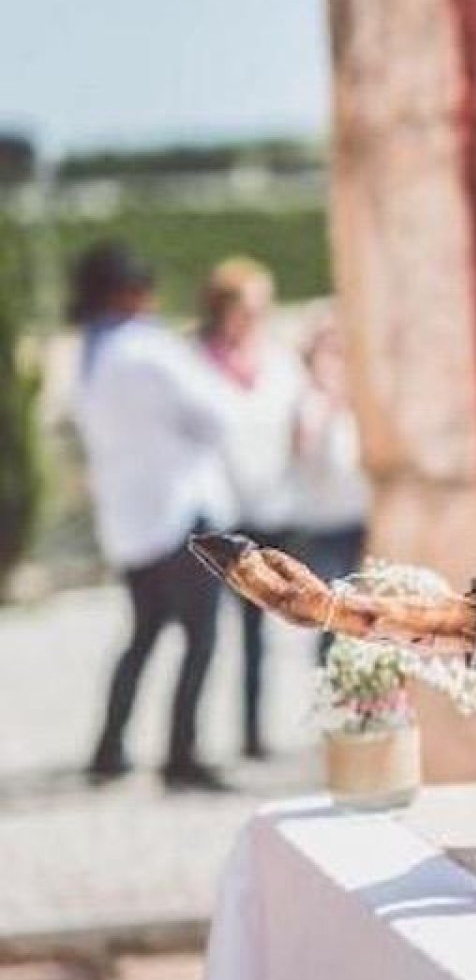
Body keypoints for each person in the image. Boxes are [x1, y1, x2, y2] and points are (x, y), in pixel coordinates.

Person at [69, 242, 234, 792]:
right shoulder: (150, 349)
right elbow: (215, 414)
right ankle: (181, 754)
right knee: (201, 639)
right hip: (180, 515)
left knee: (141, 636)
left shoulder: (90, 354)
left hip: (130, 522)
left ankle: (109, 748)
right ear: (129, 293)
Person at [197, 257, 303, 760]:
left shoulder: (280, 362)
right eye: (246, 307)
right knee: (206, 631)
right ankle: (193, 740)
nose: (254, 317)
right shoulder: (198, 363)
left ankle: (254, 732)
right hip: (220, 514)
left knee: (262, 629)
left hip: (271, 507)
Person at [286, 310, 370, 659]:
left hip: (361, 522)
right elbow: (302, 450)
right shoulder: (307, 401)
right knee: (332, 618)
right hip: (325, 529)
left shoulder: (356, 400)